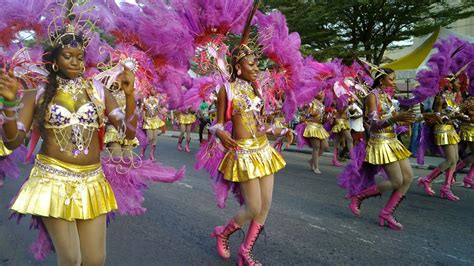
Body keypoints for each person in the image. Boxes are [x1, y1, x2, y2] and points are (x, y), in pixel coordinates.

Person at [1, 29, 136, 265]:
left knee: (95, 260)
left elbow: (128, 133)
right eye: (67, 55)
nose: (75, 61)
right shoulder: (36, 94)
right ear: (54, 60)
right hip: (52, 181)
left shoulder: (99, 91)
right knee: (71, 258)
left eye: (79, 56)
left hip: (92, 181)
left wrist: (131, 94)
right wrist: (10, 104)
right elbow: (12, 142)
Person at [341, 68, 420, 230]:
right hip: (381, 142)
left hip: (393, 141)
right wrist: (395, 118)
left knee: (408, 177)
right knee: (396, 181)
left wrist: (418, 118)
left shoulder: (388, 97)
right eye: (391, 79)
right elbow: (375, 124)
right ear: (381, 80)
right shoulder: (372, 96)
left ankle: (386, 213)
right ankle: (358, 197)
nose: (394, 82)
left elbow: (395, 120)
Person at [418, 77, 464, 201]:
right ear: (449, 84)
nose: (460, 84)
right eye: (457, 82)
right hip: (442, 130)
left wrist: (460, 116)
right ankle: (427, 179)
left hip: (451, 129)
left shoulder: (453, 98)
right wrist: (455, 116)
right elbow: (437, 116)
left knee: (455, 160)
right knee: (450, 160)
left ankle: (446, 188)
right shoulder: (440, 98)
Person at [302, 93, 330, 174]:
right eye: (320, 92)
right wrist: (312, 114)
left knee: (325, 146)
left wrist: (327, 118)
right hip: (311, 126)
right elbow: (304, 115)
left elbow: (321, 118)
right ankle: (316, 167)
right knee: (316, 147)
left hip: (320, 127)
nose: (323, 94)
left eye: (323, 93)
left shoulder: (322, 105)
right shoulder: (310, 103)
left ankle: (312, 161)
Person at [141, 91, 166, 160]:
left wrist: (165, 114)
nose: (154, 90)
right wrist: (145, 120)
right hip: (148, 121)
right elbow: (143, 112)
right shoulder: (145, 100)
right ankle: (143, 150)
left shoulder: (157, 100)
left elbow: (158, 110)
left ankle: (151, 154)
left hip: (155, 120)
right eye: (152, 89)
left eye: (155, 89)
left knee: (155, 138)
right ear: (148, 90)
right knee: (150, 138)